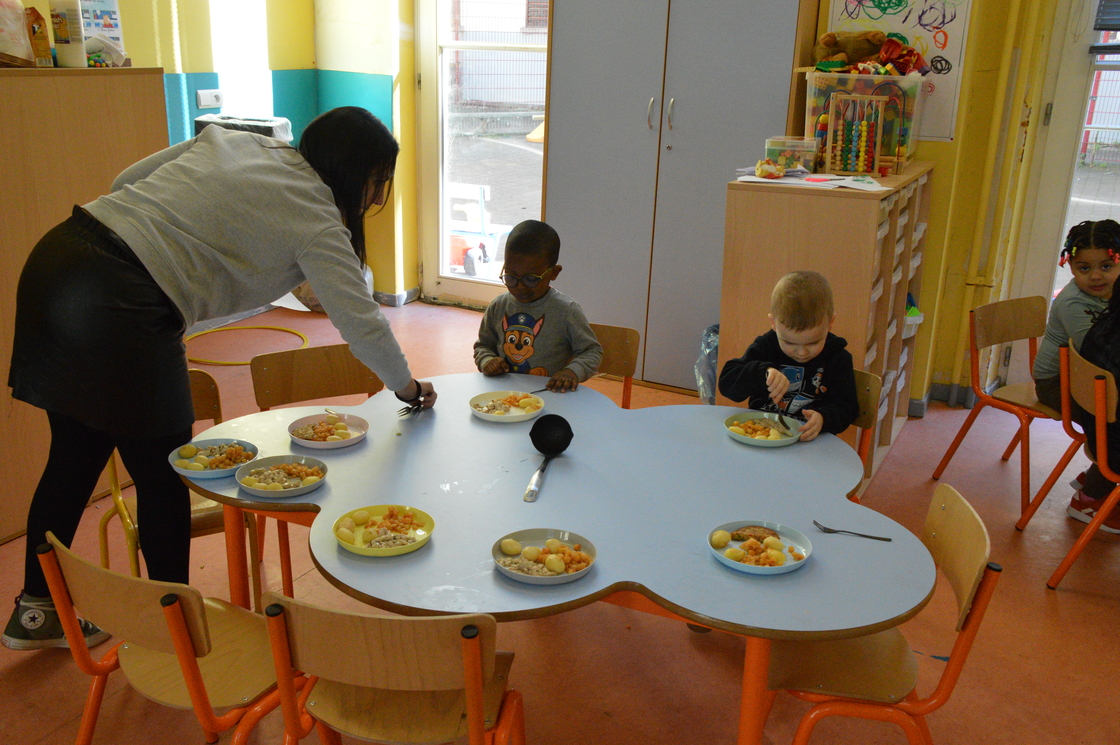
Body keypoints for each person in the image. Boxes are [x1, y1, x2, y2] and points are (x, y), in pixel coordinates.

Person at [3, 107, 437, 651]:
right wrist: (408, 388)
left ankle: (37, 613)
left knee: (72, 457)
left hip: (59, 261)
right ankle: (174, 629)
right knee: (165, 474)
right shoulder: (318, 219)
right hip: (124, 304)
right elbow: (362, 323)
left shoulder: (245, 145)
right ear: (358, 174)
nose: (374, 199)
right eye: (377, 184)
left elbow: (123, 184)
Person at [717, 270, 858, 442]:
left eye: (813, 343)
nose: (802, 352)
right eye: (790, 343)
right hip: (763, 437)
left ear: (830, 323)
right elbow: (727, 383)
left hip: (810, 444)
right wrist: (763, 373)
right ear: (773, 323)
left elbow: (848, 407)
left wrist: (824, 418)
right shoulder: (766, 346)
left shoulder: (838, 357)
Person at [473, 220, 603, 391]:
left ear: (554, 273)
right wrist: (487, 360)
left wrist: (571, 372)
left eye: (531, 279)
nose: (520, 286)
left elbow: (592, 351)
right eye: (511, 277)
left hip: (549, 395)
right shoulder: (498, 306)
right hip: (503, 395)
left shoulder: (566, 311)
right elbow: (483, 346)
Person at [1032, 220, 1120, 412]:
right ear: (1071, 265)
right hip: (1057, 383)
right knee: (1114, 419)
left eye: (1106, 267)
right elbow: (1098, 354)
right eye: (1084, 268)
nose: (1096, 276)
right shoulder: (1072, 302)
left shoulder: (1115, 289)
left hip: (1093, 376)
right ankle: (1099, 442)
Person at [1068, 279, 1120, 534]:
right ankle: (1094, 498)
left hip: (1098, 432)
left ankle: (1096, 485)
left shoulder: (1105, 323)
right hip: (1113, 447)